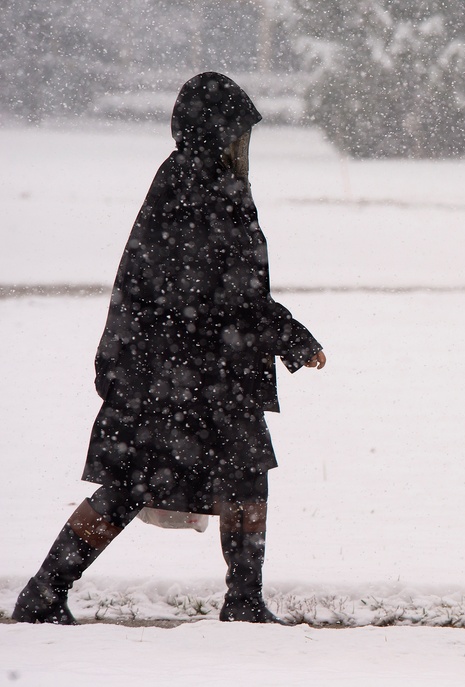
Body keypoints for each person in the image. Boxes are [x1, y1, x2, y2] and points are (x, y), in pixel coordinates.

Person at [13, 72, 325, 625]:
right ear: (215, 133)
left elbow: (213, 288)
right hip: (186, 371)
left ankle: (239, 599)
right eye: (235, 134)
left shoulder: (188, 180)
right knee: (168, 481)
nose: (241, 148)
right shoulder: (203, 186)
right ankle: (49, 591)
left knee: (202, 477)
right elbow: (226, 291)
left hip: (181, 369)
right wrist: (287, 336)